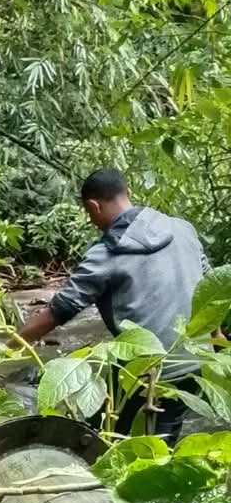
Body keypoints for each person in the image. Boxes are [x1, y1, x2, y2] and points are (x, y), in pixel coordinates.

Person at [16, 168, 207, 433]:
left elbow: (58, 311)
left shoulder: (104, 255)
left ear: (93, 206)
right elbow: (207, 292)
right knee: (154, 432)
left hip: (145, 369)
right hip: (196, 360)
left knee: (104, 434)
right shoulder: (183, 229)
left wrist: (7, 346)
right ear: (127, 193)